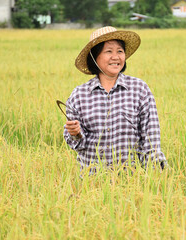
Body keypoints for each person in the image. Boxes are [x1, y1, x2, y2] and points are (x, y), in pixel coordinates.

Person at [63, 26, 166, 174]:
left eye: (120, 51)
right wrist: (75, 133)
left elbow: (151, 141)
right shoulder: (79, 95)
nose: (116, 57)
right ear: (94, 56)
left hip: (132, 181)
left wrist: (158, 176)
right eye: (108, 51)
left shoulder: (139, 89)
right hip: (92, 183)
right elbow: (78, 144)